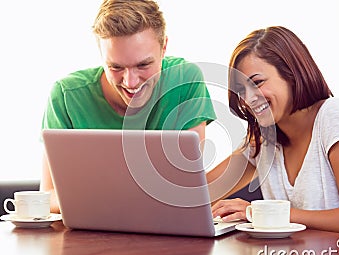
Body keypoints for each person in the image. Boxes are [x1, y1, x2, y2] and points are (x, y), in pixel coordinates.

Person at [207, 26, 339, 240]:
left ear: (291, 74)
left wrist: (260, 213)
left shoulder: (337, 116)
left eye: (257, 83)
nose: (248, 99)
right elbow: (201, 193)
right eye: (241, 92)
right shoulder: (264, 141)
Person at [41, 0, 216, 213]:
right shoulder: (66, 96)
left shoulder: (185, 80)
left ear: (164, 48)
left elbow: (187, 184)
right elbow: (47, 195)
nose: (131, 82)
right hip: (91, 234)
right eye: (115, 67)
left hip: (166, 231)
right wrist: (110, 202)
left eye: (143, 65)